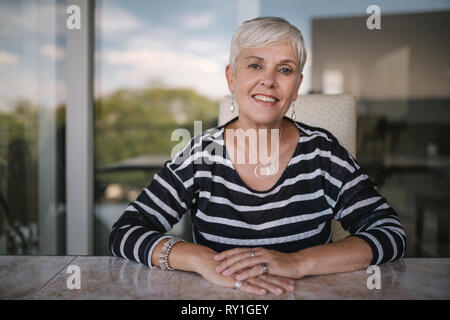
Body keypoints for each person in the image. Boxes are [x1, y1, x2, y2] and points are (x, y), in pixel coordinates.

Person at [109, 16, 406, 296]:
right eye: (255, 65)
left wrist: (299, 262)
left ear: (296, 88)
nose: (269, 80)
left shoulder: (323, 153)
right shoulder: (200, 156)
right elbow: (125, 232)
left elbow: (389, 233)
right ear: (231, 78)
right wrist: (200, 259)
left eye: (285, 69)